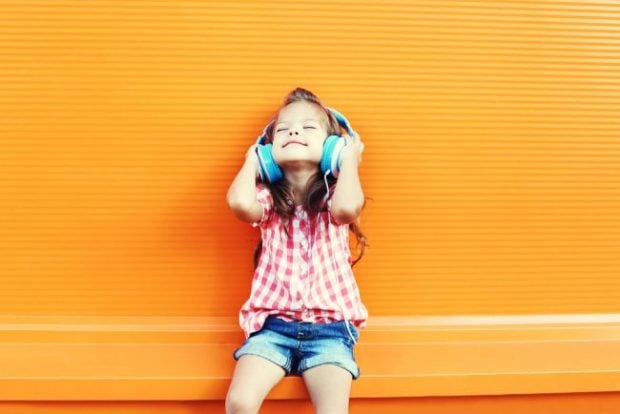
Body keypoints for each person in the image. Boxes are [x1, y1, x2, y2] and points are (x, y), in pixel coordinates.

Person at [225, 87, 368, 414]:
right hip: (273, 329)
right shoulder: (270, 200)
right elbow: (238, 202)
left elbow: (347, 209)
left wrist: (347, 160)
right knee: (239, 402)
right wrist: (253, 160)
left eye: (307, 128)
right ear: (269, 150)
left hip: (330, 331)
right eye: (284, 129)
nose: (294, 132)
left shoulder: (334, 195)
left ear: (331, 146)